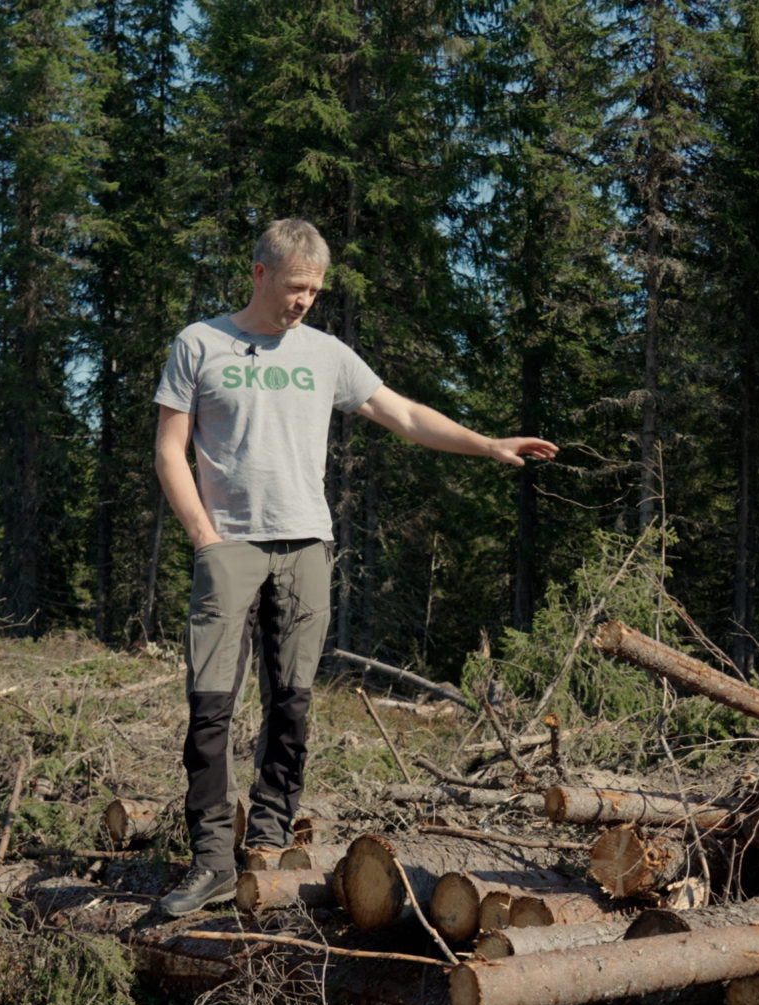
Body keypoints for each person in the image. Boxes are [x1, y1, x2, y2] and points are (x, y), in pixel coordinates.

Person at [150, 219, 556, 915]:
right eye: (294, 286)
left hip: (307, 545)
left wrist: (485, 443)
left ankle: (269, 840)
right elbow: (169, 449)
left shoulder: (326, 355)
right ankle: (211, 859)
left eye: (315, 289)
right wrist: (205, 539)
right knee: (210, 706)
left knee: (292, 701)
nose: (304, 300)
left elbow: (401, 413)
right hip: (230, 547)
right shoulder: (202, 343)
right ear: (260, 274)